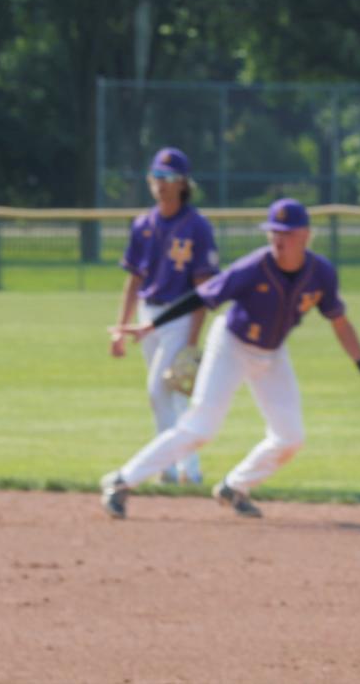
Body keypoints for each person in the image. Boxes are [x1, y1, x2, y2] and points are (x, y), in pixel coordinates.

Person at [100, 197, 360, 520]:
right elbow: (202, 295)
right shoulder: (254, 267)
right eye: (273, 232)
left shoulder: (321, 273)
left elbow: (340, 323)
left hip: (272, 353)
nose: (278, 239)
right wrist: (153, 324)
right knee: (200, 427)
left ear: (305, 235)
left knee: (290, 438)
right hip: (231, 345)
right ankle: (122, 481)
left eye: (287, 233)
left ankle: (234, 486)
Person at [110, 146, 219, 485]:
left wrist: (191, 340)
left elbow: (203, 289)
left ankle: (170, 468)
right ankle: (186, 469)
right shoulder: (143, 224)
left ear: (183, 182)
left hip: (179, 317)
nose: (162, 183)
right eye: (157, 176)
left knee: (159, 391)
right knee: (170, 394)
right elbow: (133, 281)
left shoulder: (197, 226)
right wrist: (119, 328)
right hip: (148, 315)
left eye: (169, 177)